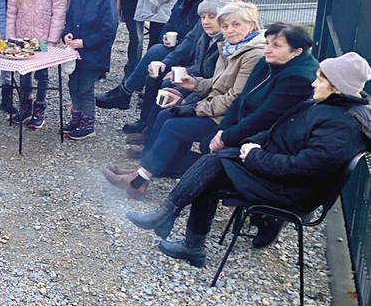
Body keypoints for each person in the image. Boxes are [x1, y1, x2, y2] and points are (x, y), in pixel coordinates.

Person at [126, 52, 371, 268]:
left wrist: (255, 156)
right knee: (212, 168)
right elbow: (277, 130)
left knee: (213, 165)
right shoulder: (323, 105)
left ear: (337, 86)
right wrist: (249, 144)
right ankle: (186, 239)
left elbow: (307, 167)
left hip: (294, 191)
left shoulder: (344, 126)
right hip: (277, 173)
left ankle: (172, 222)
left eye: (320, 79)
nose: (313, 82)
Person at [104, 2, 266, 197]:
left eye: (236, 25)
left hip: (228, 118)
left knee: (174, 126)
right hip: (214, 108)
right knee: (165, 115)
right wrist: (194, 84)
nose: (230, 30)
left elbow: (234, 98)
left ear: (251, 25)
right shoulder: (232, 47)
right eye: (225, 26)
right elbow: (216, 83)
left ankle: (139, 180)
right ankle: (142, 171)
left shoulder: (252, 54)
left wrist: (194, 107)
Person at [97, 0, 214, 113]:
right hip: (177, 48)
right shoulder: (183, 0)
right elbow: (169, 24)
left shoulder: (206, 5)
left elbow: (193, 41)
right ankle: (140, 115)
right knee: (152, 73)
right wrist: (165, 37)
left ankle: (125, 92)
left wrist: (172, 49)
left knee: (156, 52)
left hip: (195, 54)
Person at [125, 0, 234, 147]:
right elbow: (187, 44)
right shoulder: (204, 31)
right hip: (196, 75)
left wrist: (186, 82)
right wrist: (166, 63)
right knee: (156, 78)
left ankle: (154, 144)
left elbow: (216, 81)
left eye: (211, 16)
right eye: (203, 17)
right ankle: (148, 130)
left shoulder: (228, 41)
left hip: (208, 89)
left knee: (168, 88)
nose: (206, 21)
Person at [204, 22, 319, 155]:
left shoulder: (298, 78)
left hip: (267, 140)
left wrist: (226, 137)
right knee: (208, 143)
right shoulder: (267, 62)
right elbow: (241, 98)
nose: (267, 50)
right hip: (246, 126)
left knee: (213, 151)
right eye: (267, 43)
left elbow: (265, 117)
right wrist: (222, 130)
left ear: (297, 51)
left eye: (276, 46)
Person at [6, 0, 67, 130]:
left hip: (43, 35)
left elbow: (59, 10)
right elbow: (12, 8)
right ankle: (26, 105)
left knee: (42, 73)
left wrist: (52, 39)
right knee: (24, 72)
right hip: (23, 35)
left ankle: (40, 107)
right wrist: (11, 35)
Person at [61, 0, 120, 140]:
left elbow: (108, 30)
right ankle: (76, 117)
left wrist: (85, 42)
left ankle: (88, 123)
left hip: (94, 54)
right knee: (73, 85)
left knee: (85, 87)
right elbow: (70, 18)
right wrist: (67, 34)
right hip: (75, 51)